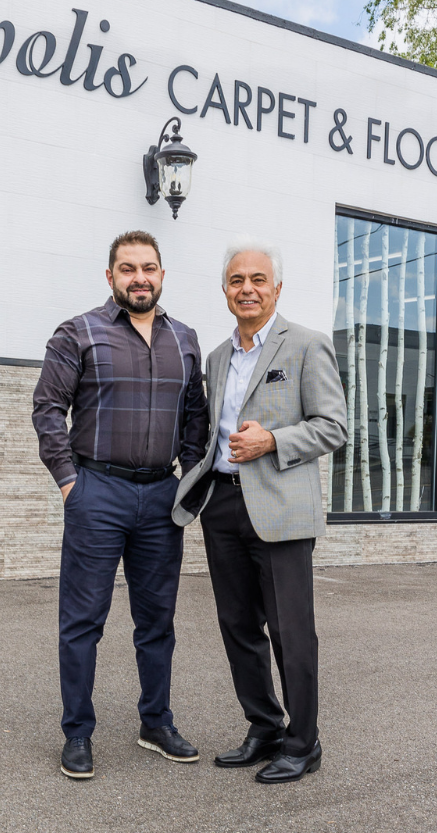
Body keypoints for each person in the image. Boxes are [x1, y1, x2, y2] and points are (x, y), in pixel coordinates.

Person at [32, 230, 211, 781]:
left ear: (162, 275)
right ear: (110, 276)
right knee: (82, 621)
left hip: (161, 496)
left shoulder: (185, 339)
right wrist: (71, 485)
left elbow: (195, 417)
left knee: (157, 621)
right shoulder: (77, 333)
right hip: (97, 493)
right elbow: (47, 410)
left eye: (149, 268)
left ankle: (155, 722)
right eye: (128, 268)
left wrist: (186, 480)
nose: (140, 277)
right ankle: (77, 733)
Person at [171, 239, 347, 784]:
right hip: (223, 502)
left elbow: (334, 426)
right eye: (236, 281)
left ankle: (303, 742)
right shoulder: (219, 357)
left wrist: (272, 440)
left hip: (280, 509)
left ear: (275, 288)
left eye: (257, 280)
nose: (247, 289)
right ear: (225, 290)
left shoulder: (307, 346)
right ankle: (264, 726)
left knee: (291, 631)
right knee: (238, 626)